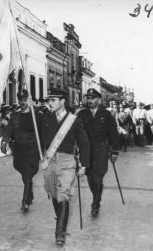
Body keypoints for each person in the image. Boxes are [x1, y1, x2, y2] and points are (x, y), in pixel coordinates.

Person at [38, 88, 90, 246]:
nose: (50, 103)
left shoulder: (74, 120)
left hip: (67, 162)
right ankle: (61, 219)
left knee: (64, 194)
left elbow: (84, 143)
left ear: (62, 101)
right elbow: (37, 136)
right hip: (50, 161)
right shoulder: (46, 118)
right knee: (54, 194)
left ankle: (59, 232)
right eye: (49, 100)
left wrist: (84, 165)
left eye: (53, 100)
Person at [77, 88, 119, 217]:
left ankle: (95, 203)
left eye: (92, 98)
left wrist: (114, 151)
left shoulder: (106, 114)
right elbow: (76, 132)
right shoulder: (82, 114)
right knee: (90, 178)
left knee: (98, 177)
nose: (89, 100)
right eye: (88, 98)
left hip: (101, 149)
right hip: (86, 150)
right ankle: (97, 196)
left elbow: (113, 133)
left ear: (99, 99)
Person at [0, 89, 40, 213]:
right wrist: (4, 141)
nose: (22, 102)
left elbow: (43, 132)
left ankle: (25, 201)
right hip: (19, 150)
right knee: (24, 174)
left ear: (29, 100)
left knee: (27, 174)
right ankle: (30, 191)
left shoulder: (36, 115)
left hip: (32, 149)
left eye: (24, 100)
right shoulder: (15, 116)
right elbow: (9, 130)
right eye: (20, 100)